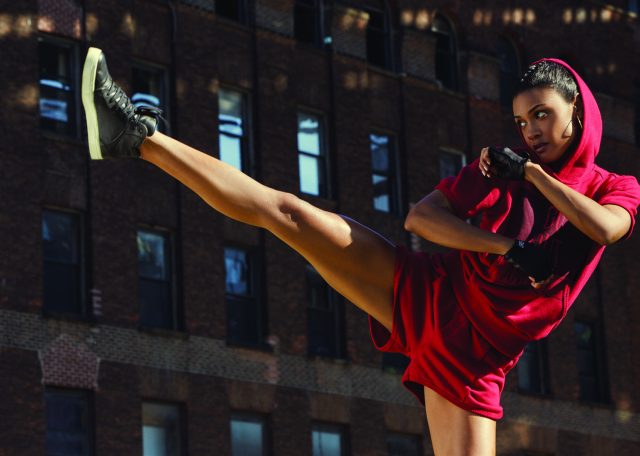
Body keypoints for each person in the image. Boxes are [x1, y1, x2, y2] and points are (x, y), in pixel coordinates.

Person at [81, 47, 640, 455]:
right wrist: (506, 245)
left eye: (541, 114)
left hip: (474, 354)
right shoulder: (500, 167)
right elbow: (421, 219)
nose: (530, 130)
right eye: (521, 120)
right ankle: (136, 137)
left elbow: (605, 228)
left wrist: (535, 176)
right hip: (430, 290)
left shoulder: (612, 185)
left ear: (578, 113)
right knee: (291, 214)